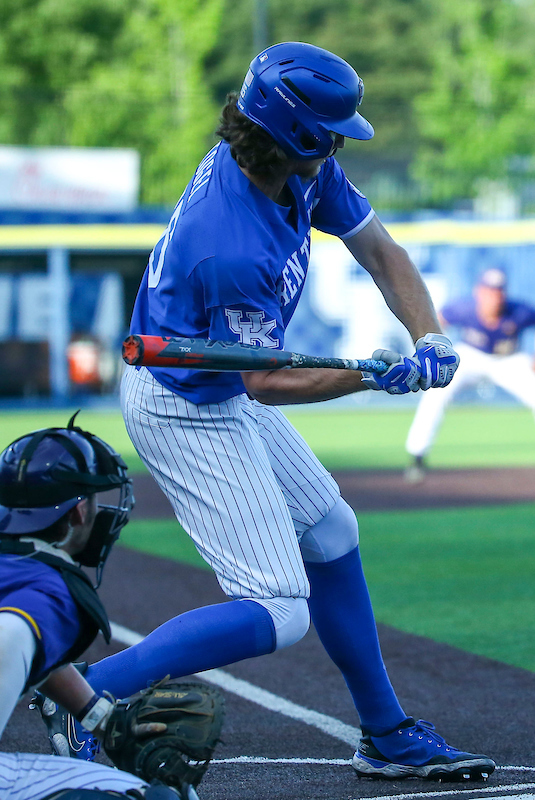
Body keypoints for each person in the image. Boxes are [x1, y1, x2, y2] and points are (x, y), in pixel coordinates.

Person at [34, 42, 494, 782]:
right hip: (183, 406)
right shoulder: (229, 241)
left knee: (333, 529)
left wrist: (427, 335)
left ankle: (385, 734)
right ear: (299, 136)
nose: (343, 142)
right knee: (280, 608)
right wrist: (372, 381)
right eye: (333, 131)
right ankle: (87, 696)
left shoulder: (296, 167)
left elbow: (380, 252)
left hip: (222, 386)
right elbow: (265, 384)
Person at [0, 417, 194, 800]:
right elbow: (12, 636)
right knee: (163, 797)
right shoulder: (46, 594)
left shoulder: (17, 570)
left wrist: (103, 721)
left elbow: (32, 652)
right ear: (77, 514)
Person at [403, 267, 535, 483]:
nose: (494, 297)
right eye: (489, 292)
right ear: (479, 292)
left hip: (509, 361)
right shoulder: (464, 308)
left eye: (498, 292)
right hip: (471, 356)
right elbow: (438, 320)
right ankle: (416, 458)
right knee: (436, 395)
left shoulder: (518, 311)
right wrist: (436, 350)